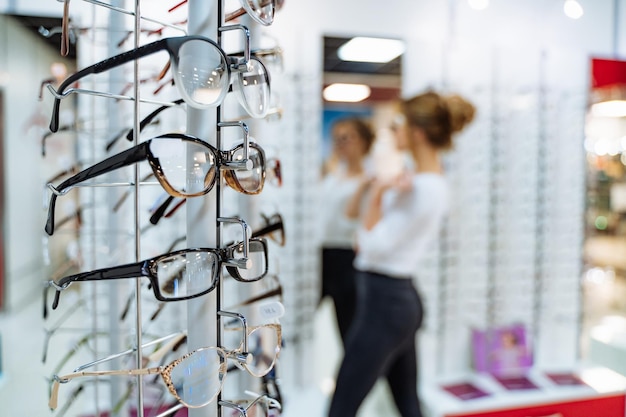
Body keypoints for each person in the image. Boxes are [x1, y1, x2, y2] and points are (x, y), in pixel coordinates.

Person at [327, 90, 476, 417]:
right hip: (392, 300)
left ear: (417, 133)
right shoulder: (421, 181)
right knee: (407, 400)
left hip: (385, 302)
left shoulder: (425, 189)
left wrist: (379, 193)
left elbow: (368, 245)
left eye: (399, 124)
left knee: (343, 402)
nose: (393, 131)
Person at [319, 116, 376, 345]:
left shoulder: (369, 180)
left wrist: (361, 189)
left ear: (363, 142)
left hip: (346, 257)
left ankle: (352, 378)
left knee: (349, 329)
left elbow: (350, 225)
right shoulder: (333, 176)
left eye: (347, 138)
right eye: (336, 139)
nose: (340, 143)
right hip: (321, 255)